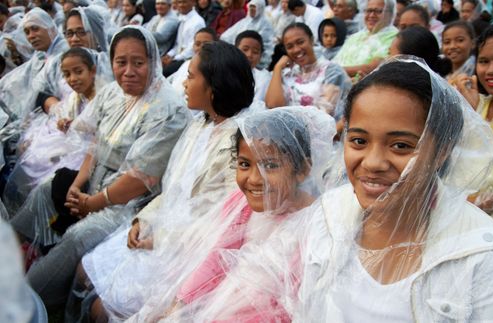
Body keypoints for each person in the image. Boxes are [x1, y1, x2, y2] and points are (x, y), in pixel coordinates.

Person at [297, 58, 493, 322]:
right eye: (359, 141)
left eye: (401, 146)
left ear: (442, 151)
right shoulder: (329, 215)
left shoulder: (481, 255)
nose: (372, 163)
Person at [9, 26, 191, 308]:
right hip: (94, 187)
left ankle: (30, 297)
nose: (128, 71)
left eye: (138, 63)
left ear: (153, 62)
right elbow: (97, 144)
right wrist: (77, 185)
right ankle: (13, 255)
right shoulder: (113, 94)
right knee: (47, 189)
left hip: (129, 204)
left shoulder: (168, 109)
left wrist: (94, 202)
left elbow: (140, 179)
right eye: (121, 62)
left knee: (79, 236)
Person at [75, 41, 255, 322]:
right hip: (164, 226)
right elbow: (174, 188)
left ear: (214, 87)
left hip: (189, 247)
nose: (183, 82)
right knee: (86, 272)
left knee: (101, 308)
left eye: (192, 76)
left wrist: (160, 238)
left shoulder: (238, 142)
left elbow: (218, 222)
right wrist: (143, 220)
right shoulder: (200, 124)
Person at [126, 106, 337, 322]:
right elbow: (216, 256)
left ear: (302, 170)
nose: (255, 178)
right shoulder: (241, 204)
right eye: (245, 164)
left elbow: (285, 305)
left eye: (270, 165)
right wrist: (181, 305)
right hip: (214, 306)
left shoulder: (312, 226)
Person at [3, 48, 99, 214]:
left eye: (78, 72)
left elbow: (95, 129)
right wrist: (64, 123)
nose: (73, 79)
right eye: (67, 74)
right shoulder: (75, 97)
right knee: (31, 160)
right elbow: (66, 115)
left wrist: (75, 125)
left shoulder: (101, 97)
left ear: (92, 71)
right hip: (73, 145)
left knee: (50, 179)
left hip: (90, 150)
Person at [453, 22, 493, 222]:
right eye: (484, 61)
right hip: (460, 218)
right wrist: (469, 113)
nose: (491, 70)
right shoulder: (477, 106)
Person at [266, 23, 351, 117]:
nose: (296, 49)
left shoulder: (332, 71)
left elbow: (325, 115)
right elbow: (273, 106)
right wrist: (277, 68)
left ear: (311, 40)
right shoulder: (287, 74)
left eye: (300, 42)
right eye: (290, 47)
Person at [0, 7, 68, 120]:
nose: (31, 36)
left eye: (35, 29)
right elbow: (21, 75)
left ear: (50, 28)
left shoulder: (64, 52)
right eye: (27, 32)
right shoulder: (40, 55)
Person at [332, 0, 398, 78]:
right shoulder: (356, 36)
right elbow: (335, 61)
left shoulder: (394, 37)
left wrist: (335, 71)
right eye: (369, 11)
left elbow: (372, 68)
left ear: (390, 14)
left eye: (378, 11)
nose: (371, 15)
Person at [166, 27, 216, 100]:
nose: (201, 48)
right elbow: (169, 81)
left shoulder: (215, 69)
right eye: (197, 44)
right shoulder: (187, 63)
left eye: (206, 44)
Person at [220, 0, 273, 68]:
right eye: (250, 7)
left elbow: (266, 46)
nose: (251, 9)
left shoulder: (265, 25)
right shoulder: (244, 21)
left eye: (254, 7)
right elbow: (226, 36)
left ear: (260, 8)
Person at [162, 0, 205, 77]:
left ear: (193, 3)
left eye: (184, 2)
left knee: (164, 72)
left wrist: (174, 59)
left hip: (189, 60)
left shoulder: (197, 22)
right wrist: (168, 55)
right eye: (179, 2)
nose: (181, 5)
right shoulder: (182, 19)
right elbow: (178, 44)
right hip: (179, 57)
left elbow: (192, 48)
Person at [235, 30, 271, 103]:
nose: (249, 55)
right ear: (235, 50)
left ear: (261, 56)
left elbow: (257, 104)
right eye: (245, 49)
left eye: (255, 52)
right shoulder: (224, 72)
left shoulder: (263, 78)